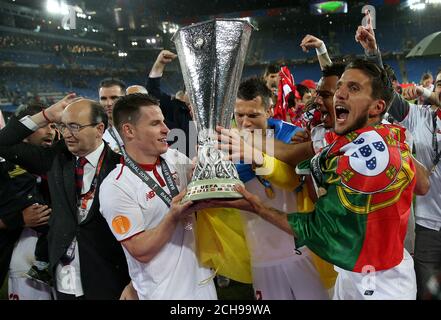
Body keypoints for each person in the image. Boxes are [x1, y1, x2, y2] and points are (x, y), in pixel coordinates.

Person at [217, 59, 420, 300]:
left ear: (376, 107)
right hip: (351, 272)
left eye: (353, 89)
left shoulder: (362, 159)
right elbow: (424, 184)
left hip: (380, 282)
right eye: (340, 87)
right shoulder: (346, 140)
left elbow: (318, 228)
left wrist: (257, 207)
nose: (339, 95)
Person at [0, 95, 130, 299]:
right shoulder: (54, 160)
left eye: (75, 127)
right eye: (63, 127)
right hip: (64, 276)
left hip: (109, 275)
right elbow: (3, 143)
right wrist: (46, 115)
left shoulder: (122, 166)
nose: (67, 134)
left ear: (99, 129)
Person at [355, 14, 441, 298]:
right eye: (440, 84)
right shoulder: (420, 117)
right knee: (427, 292)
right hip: (429, 226)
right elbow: (389, 96)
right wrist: (373, 53)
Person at [99, 93, 217, 300]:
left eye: (163, 121)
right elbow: (139, 249)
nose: (166, 129)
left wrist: (204, 168)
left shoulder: (174, 157)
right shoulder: (116, 186)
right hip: (164, 293)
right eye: (155, 123)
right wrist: (173, 216)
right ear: (129, 130)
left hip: (203, 283)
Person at [230, 77, 328, 299]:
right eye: (239, 115)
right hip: (261, 256)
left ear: (269, 109)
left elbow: (296, 179)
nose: (245, 123)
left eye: (253, 115)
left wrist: (254, 152)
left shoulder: (293, 136)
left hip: (302, 251)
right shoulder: (226, 144)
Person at [146, 50, 194, 158]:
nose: (195, 97)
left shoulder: (214, 117)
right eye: (191, 91)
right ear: (184, 93)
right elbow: (153, 91)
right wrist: (159, 64)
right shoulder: (174, 108)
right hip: (174, 171)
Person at [99, 78, 126, 153]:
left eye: (114, 98)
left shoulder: (140, 130)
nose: (108, 103)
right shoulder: (96, 133)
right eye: (103, 99)